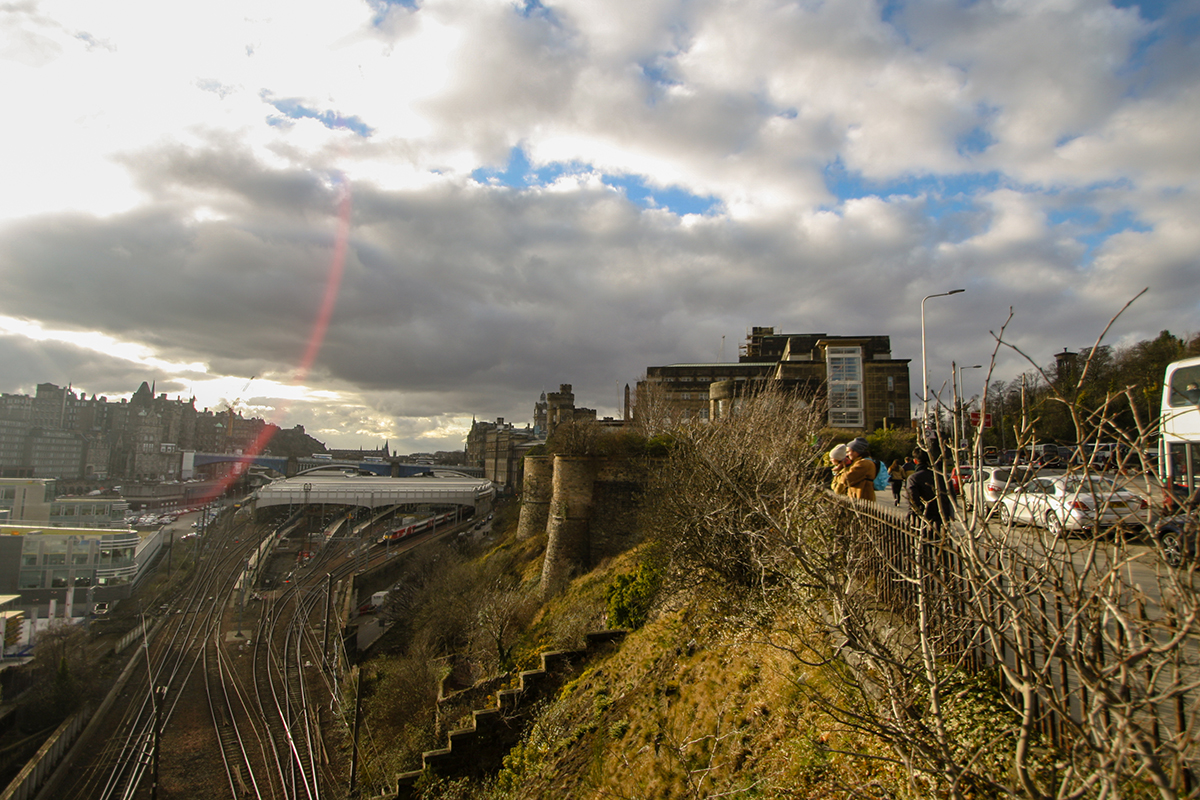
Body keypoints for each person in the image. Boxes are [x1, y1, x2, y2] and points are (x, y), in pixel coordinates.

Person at [905, 450, 954, 528]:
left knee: (926, 536)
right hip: (943, 513)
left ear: (915, 461)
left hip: (924, 515)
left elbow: (913, 500)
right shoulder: (944, 477)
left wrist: (911, 514)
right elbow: (952, 496)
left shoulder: (913, 478)